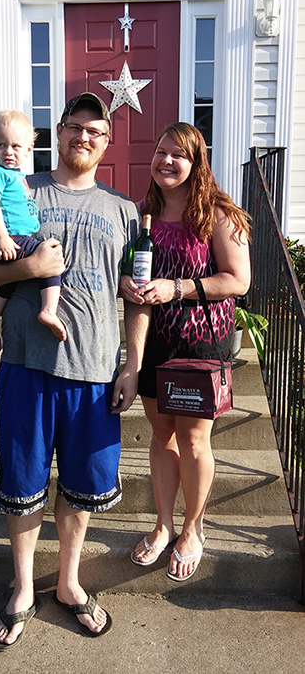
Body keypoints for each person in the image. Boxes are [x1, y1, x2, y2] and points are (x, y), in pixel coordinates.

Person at [0, 92, 149, 647]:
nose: (83, 137)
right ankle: (24, 589)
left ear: (106, 142)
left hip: (94, 370)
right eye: (74, 126)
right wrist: (29, 266)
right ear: (58, 132)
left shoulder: (122, 209)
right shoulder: (18, 185)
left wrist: (133, 365)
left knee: (81, 484)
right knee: (23, 481)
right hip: (28, 364)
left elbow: (135, 296)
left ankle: (68, 584)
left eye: (95, 130)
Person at [119, 122, 251, 582]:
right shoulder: (141, 216)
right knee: (162, 436)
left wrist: (176, 288)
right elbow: (134, 290)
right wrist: (132, 361)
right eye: (161, 152)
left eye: (179, 154)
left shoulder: (218, 214)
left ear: (196, 163)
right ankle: (163, 525)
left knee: (194, 439)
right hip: (155, 342)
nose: (167, 161)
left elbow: (238, 280)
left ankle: (193, 528)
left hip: (200, 344)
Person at [0, 110, 66, 354]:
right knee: (51, 258)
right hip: (9, 239)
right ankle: (48, 311)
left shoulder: (16, 176)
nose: (8, 151)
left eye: (15, 146)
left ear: (29, 149)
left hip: (14, 239)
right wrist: (2, 237)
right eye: (1, 145)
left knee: (11, 282)